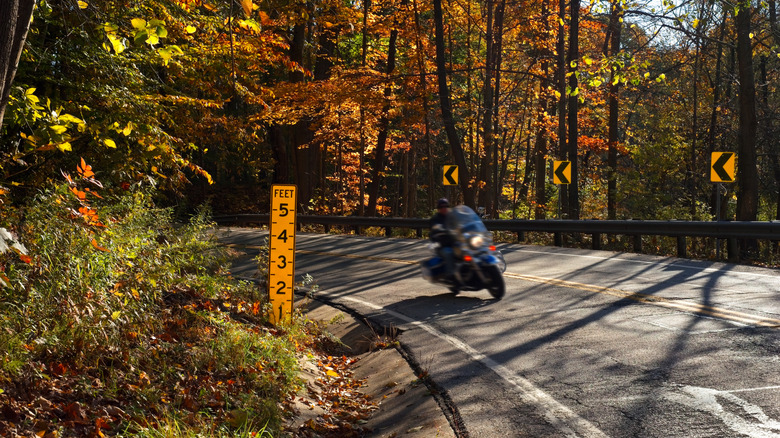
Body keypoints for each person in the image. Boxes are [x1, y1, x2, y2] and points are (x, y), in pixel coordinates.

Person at [429, 198, 456, 279]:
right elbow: (434, 228)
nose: (444, 208)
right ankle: (451, 275)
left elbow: (461, 223)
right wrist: (439, 229)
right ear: (438, 208)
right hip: (442, 245)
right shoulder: (435, 219)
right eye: (442, 207)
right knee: (449, 253)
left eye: (446, 206)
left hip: (455, 242)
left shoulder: (452, 217)